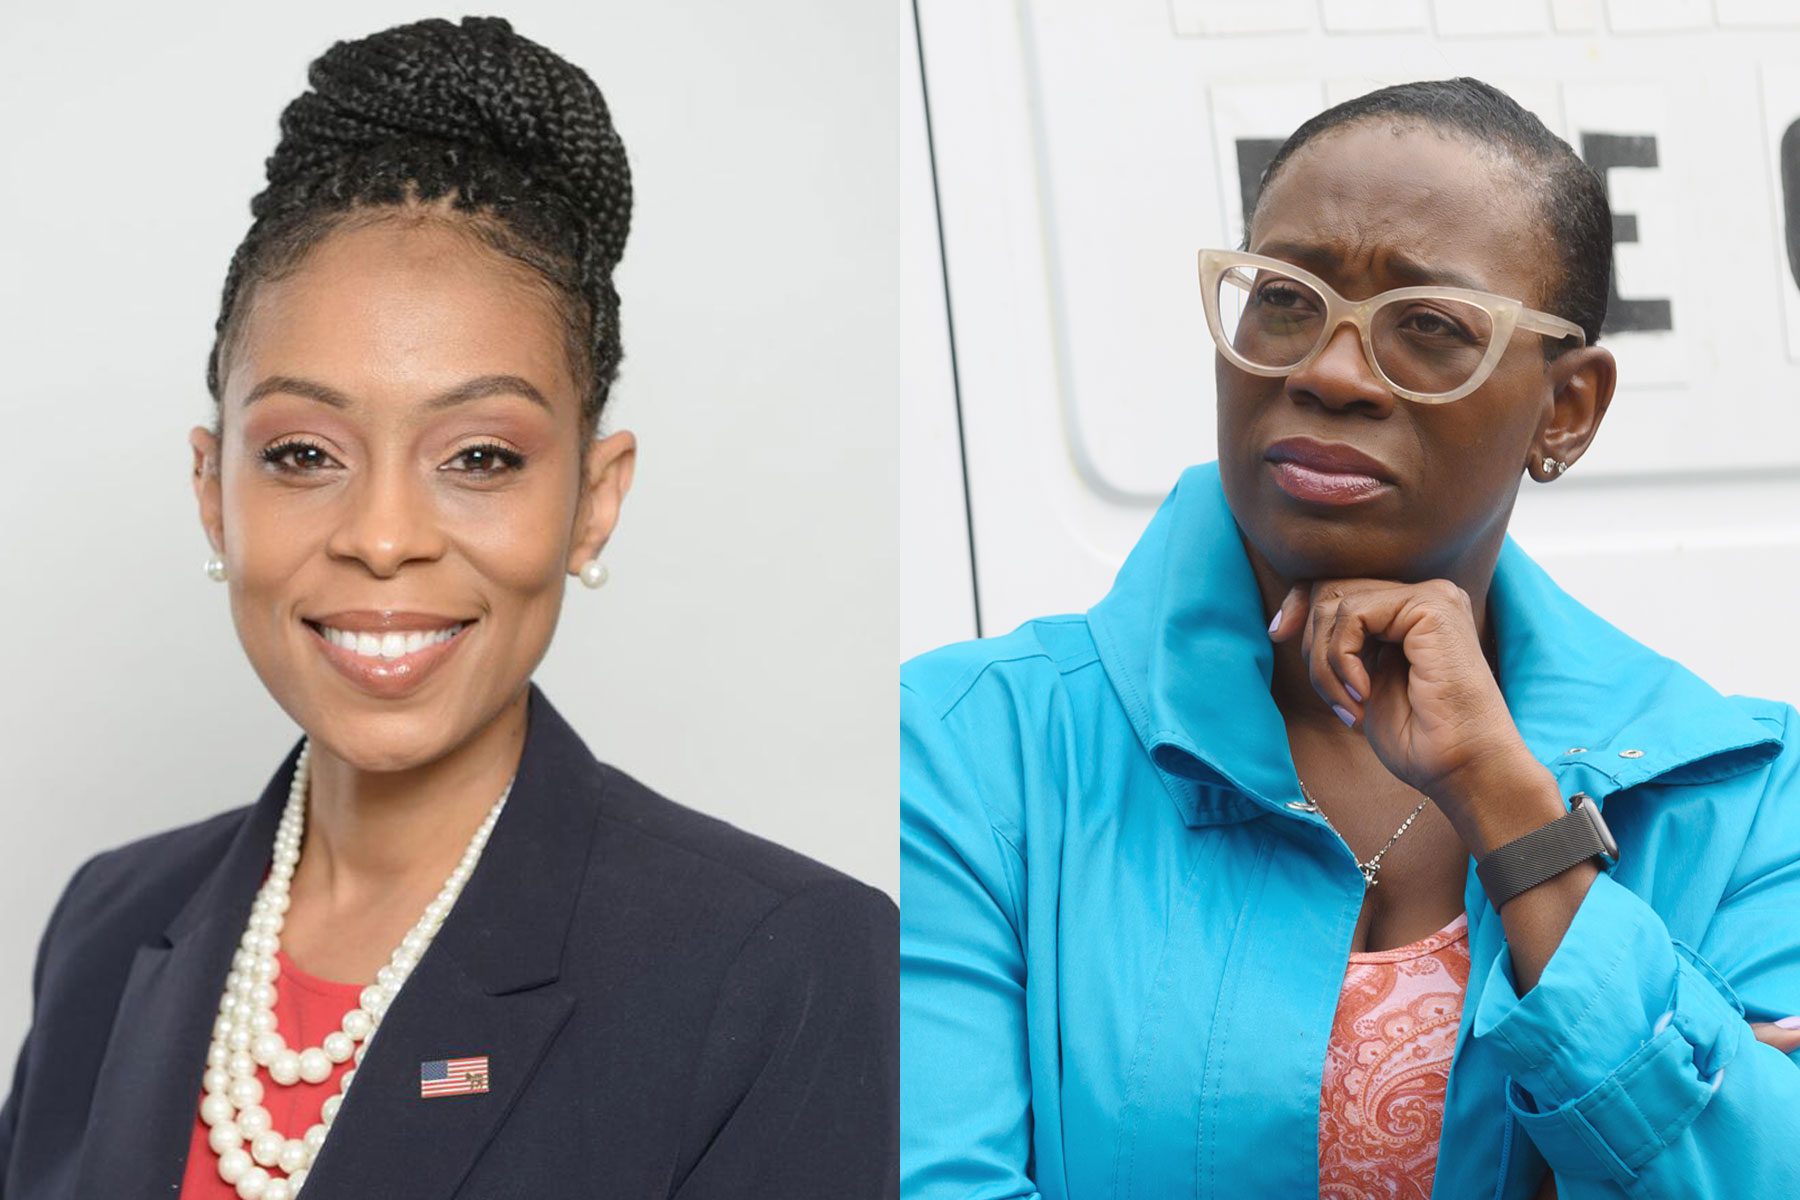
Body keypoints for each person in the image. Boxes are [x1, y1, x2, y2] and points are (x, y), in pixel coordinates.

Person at [0, 17, 896, 1199]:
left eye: (478, 456)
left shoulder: (787, 969)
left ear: (593, 500)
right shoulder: (109, 923)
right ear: (212, 492)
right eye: (304, 453)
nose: (382, 537)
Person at [900, 77, 1800, 1200]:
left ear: (1565, 408)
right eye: (1283, 298)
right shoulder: (971, 750)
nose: (1325, 370)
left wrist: (1511, 813)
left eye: (1428, 328)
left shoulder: (1745, 790)